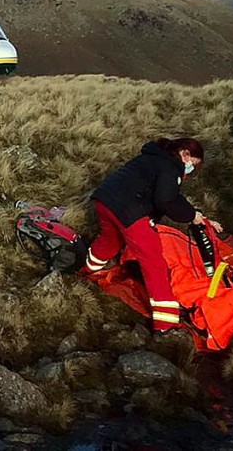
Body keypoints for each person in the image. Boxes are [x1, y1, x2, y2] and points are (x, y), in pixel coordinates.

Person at [84, 137, 221, 332]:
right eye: (193, 164)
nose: (191, 169)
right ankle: (166, 323)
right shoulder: (170, 167)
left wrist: (194, 213)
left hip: (106, 201)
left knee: (110, 239)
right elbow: (166, 200)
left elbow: (166, 195)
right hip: (130, 210)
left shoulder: (153, 157)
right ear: (185, 154)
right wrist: (191, 215)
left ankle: (87, 270)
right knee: (154, 260)